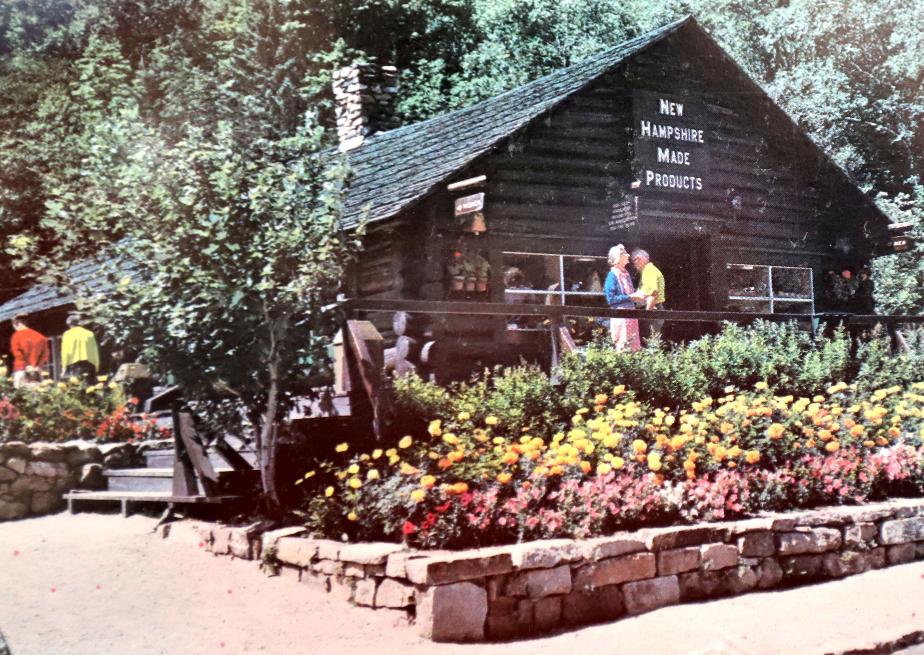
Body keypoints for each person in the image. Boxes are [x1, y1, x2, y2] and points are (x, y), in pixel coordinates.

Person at [604, 244, 643, 351]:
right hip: (620, 317)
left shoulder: (626, 274)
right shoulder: (612, 276)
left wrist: (640, 297)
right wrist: (630, 297)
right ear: (619, 257)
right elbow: (611, 299)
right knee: (623, 347)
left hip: (631, 315)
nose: (628, 255)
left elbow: (630, 293)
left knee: (633, 346)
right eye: (625, 253)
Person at [631, 248, 666, 340]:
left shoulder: (648, 271)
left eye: (634, 262)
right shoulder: (649, 270)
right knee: (651, 341)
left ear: (639, 259)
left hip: (652, 311)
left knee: (651, 342)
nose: (634, 266)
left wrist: (647, 314)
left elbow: (653, 294)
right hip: (653, 310)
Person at [9, 314, 49, 388]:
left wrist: (26, 366)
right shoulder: (41, 337)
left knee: (21, 397)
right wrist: (38, 366)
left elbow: (17, 354)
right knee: (37, 396)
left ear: (17, 323)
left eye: (13, 325)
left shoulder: (16, 336)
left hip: (22, 370)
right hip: (37, 372)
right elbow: (45, 354)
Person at [61, 313, 100, 381]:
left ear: (69, 324)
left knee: (77, 388)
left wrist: (64, 368)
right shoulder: (89, 333)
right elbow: (95, 351)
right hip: (89, 364)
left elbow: (65, 352)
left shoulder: (67, 334)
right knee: (90, 388)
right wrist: (96, 366)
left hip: (74, 365)